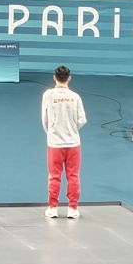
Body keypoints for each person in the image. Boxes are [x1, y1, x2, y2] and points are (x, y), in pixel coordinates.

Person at [40, 65, 86, 219]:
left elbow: (44, 118)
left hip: (54, 144)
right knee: (73, 176)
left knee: (54, 176)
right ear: (69, 78)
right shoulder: (75, 97)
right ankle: (72, 208)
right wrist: (72, 130)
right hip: (73, 143)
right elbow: (82, 120)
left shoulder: (48, 95)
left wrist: (51, 133)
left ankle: (53, 208)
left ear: (54, 77)